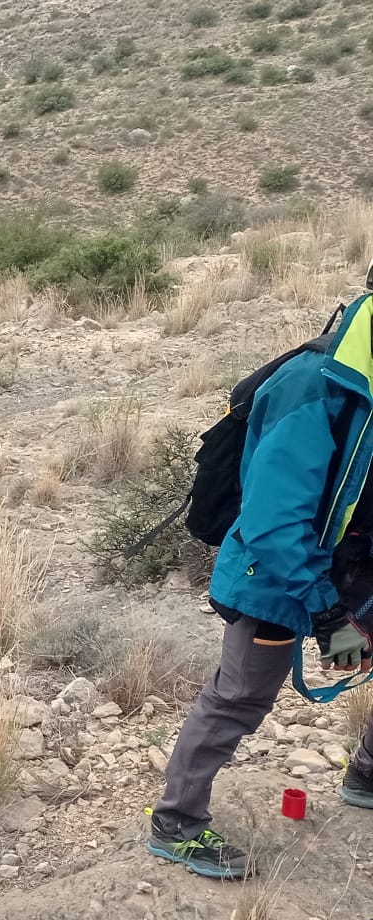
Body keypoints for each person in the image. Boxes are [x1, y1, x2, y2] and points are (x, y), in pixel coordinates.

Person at [149, 299, 373, 880]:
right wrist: (326, 616)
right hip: (281, 572)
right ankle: (176, 822)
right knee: (239, 697)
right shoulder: (312, 386)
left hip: (358, 565)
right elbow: (274, 523)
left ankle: (367, 773)